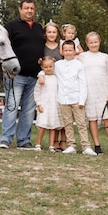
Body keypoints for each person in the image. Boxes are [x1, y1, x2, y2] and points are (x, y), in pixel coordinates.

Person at [0, 0, 45, 150]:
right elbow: (1, 46)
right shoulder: (11, 27)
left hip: (35, 76)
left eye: (32, 8)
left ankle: (23, 141)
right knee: (11, 107)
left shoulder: (39, 28)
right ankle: (5, 139)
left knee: (29, 110)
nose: (29, 11)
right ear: (20, 9)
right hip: (15, 76)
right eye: (26, 8)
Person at [77, 32, 108, 155]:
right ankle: (97, 145)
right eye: (91, 42)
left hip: (103, 91)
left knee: (107, 119)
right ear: (87, 43)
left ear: (99, 42)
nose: (93, 44)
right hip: (89, 92)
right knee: (93, 119)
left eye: (95, 42)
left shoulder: (105, 57)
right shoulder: (82, 57)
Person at [52, 40, 96, 156]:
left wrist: (82, 100)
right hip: (63, 99)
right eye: (65, 50)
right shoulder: (57, 65)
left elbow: (83, 83)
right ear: (62, 51)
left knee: (81, 123)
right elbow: (47, 72)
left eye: (70, 50)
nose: (68, 52)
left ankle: (86, 146)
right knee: (67, 124)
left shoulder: (79, 65)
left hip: (77, 99)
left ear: (74, 51)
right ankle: (72, 145)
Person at [43, 21, 67, 151]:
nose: (51, 34)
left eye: (54, 32)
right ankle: (54, 141)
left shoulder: (61, 46)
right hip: (48, 84)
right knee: (53, 112)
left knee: (63, 112)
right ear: (45, 34)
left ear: (58, 33)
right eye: (49, 32)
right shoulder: (42, 47)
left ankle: (64, 140)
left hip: (61, 82)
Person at [33, 56, 62, 152]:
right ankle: (38, 144)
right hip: (44, 105)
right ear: (42, 67)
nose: (48, 69)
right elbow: (37, 92)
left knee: (52, 126)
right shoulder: (41, 78)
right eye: (46, 67)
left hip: (54, 106)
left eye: (50, 66)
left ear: (54, 66)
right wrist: (39, 104)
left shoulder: (56, 78)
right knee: (42, 125)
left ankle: (51, 145)